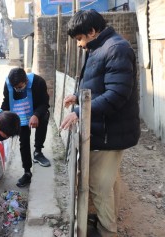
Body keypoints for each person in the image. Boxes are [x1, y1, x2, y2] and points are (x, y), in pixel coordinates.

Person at [60, 10, 140, 237]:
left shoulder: (116, 49)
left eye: (79, 39)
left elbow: (116, 94)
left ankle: (108, 231)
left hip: (110, 131)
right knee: (108, 181)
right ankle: (105, 222)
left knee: (98, 185)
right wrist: (78, 96)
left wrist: (79, 111)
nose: (79, 45)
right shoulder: (98, 48)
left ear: (92, 31)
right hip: (104, 128)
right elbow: (98, 85)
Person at [1, 68, 51, 188]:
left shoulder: (38, 82)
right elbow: (7, 102)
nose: (16, 89)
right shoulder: (9, 84)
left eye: (19, 86)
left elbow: (45, 104)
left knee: (44, 117)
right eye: (15, 87)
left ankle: (38, 151)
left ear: (26, 81)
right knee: (23, 140)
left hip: (35, 111)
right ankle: (27, 171)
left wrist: (36, 115)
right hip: (20, 115)